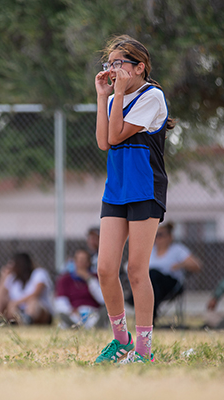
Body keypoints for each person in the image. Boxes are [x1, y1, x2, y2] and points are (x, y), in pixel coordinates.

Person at [92, 35, 175, 364]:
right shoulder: (115, 97)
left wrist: (119, 94)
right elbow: (103, 142)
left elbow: (115, 136)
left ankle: (143, 350)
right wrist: (103, 98)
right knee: (105, 269)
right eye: (108, 64)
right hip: (117, 189)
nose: (112, 70)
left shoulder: (153, 96)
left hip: (145, 188)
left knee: (137, 271)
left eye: (118, 64)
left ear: (139, 67)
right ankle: (121, 341)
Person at [146, 222, 201, 323]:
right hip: (151, 284)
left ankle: (149, 317)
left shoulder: (177, 250)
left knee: (153, 274)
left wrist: (180, 265)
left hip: (170, 285)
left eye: (161, 235)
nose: (157, 238)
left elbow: (196, 265)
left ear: (170, 237)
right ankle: (147, 316)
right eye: (156, 234)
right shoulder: (150, 251)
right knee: (149, 277)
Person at [0, 253, 54, 325]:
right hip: (17, 310)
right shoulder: (13, 278)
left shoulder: (39, 273)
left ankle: (27, 319)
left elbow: (36, 293)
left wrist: (16, 302)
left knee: (33, 302)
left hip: (38, 311)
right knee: (2, 298)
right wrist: (3, 278)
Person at [55, 248, 106, 329]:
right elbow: (60, 301)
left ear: (88, 263)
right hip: (75, 313)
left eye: (84, 260)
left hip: (93, 313)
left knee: (102, 314)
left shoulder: (96, 278)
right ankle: (74, 325)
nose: (81, 263)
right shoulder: (65, 279)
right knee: (65, 316)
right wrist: (71, 311)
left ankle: (95, 327)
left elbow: (102, 299)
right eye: (78, 260)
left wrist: (89, 279)